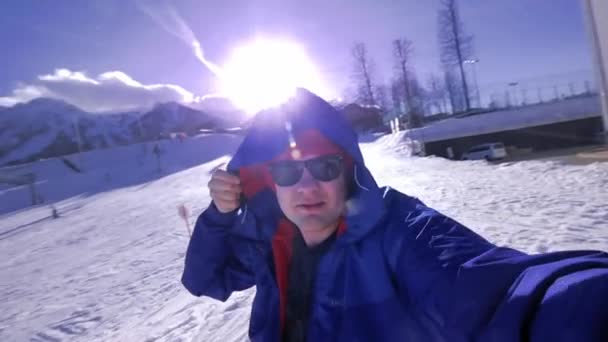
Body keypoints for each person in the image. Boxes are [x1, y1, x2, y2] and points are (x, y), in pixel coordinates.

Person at [182, 89, 608, 342]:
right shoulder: (270, 237)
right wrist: (221, 216)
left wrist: (582, 301)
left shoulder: (400, 230)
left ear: (348, 171)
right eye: (289, 171)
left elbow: (496, 290)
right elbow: (204, 279)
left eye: (325, 167)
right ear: (269, 181)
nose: (307, 187)